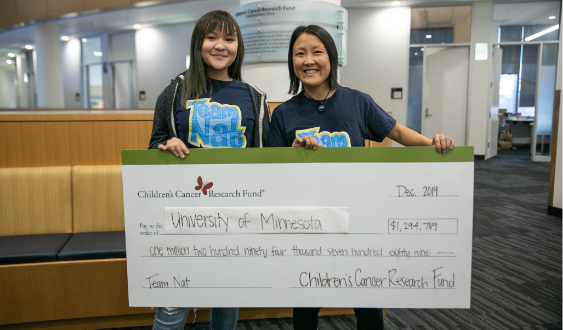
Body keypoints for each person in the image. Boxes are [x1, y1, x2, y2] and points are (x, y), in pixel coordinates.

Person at [268, 25, 454, 330]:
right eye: (299, 54)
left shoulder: (357, 102)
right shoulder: (284, 114)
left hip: (357, 221)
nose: (308, 60)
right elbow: (273, 171)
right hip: (307, 225)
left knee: (368, 305)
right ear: (292, 62)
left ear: (333, 58)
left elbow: (395, 132)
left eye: (317, 51)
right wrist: (293, 150)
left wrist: (433, 144)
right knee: (305, 307)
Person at [148, 10, 270, 330]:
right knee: (172, 308)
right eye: (212, 37)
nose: (220, 46)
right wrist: (166, 146)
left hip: (236, 217)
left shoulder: (254, 98)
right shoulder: (176, 91)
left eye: (229, 39)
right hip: (183, 216)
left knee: (227, 302)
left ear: (238, 46)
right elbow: (153, 147)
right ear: (198, 44)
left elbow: (266, 160)